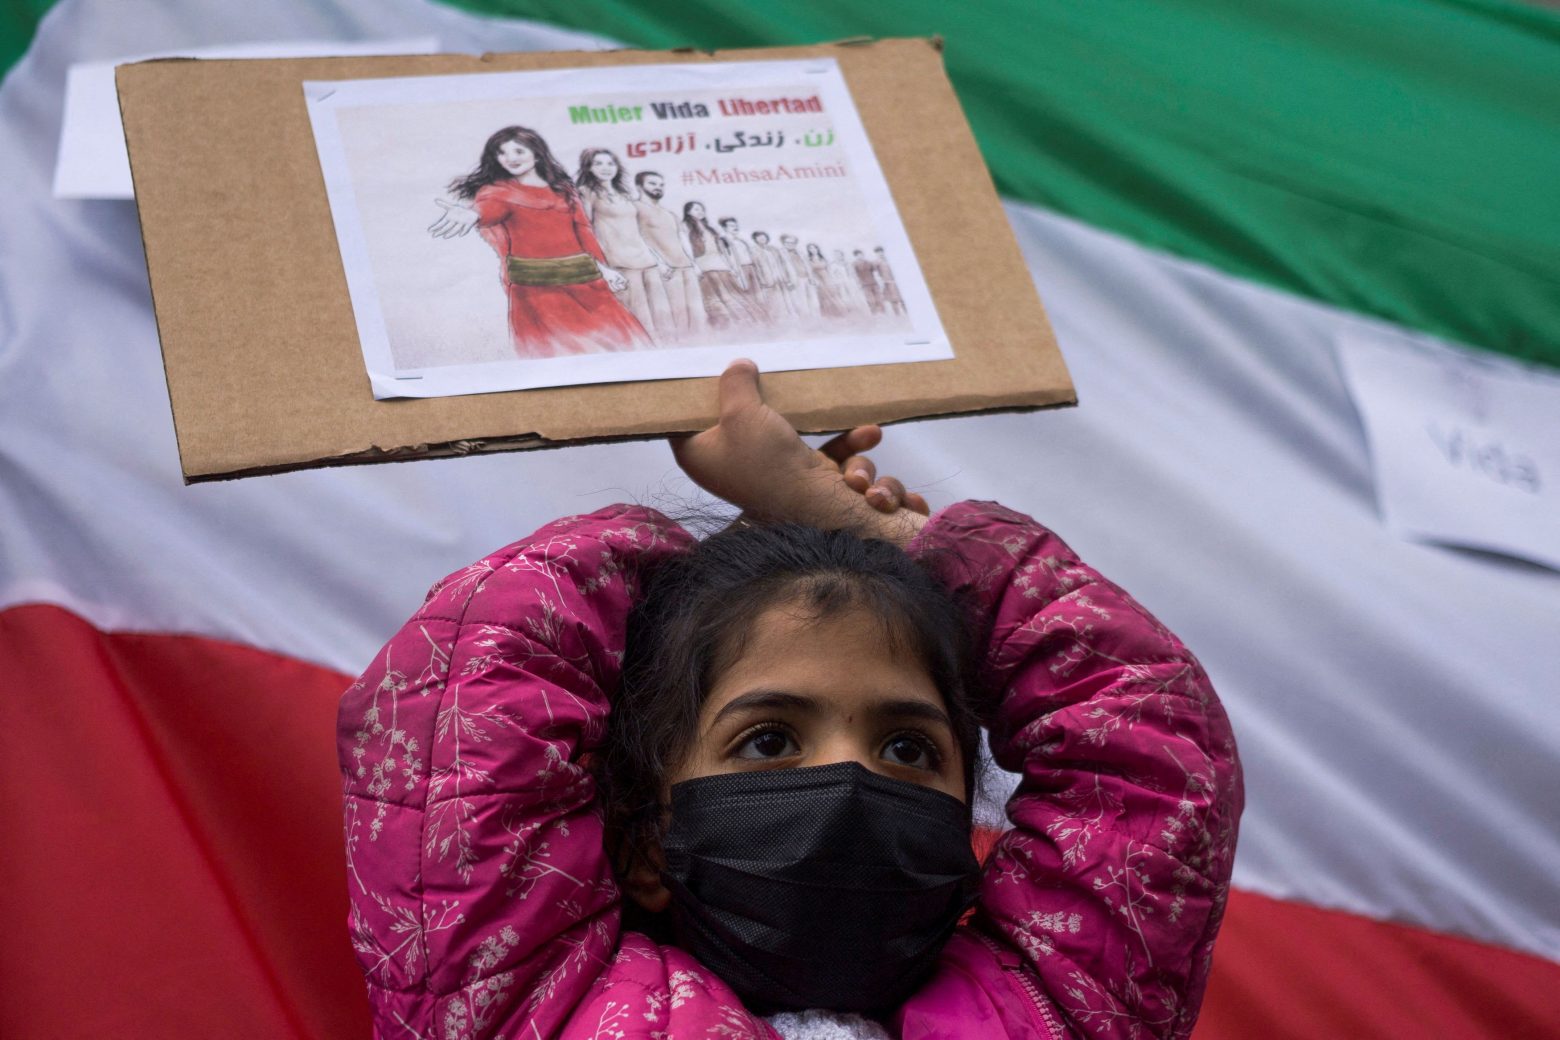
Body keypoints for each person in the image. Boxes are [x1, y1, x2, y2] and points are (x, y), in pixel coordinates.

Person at [340, 360, 1243, 1039]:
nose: (850, 779)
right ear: (646, 840)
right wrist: (681, 583)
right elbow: (463, 723)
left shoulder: (1048, 1015)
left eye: (908, 749)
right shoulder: (537, 1011)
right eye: (769, 741)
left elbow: (1147, 745)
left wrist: (859, 523)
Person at [430, 125, 651, 357]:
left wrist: (604, 270)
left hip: (586, 283)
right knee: (558, 354)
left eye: (518, 151)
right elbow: (489, 210)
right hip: (536, 291)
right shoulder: (497, 192)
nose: (510, 158)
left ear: (536, 154)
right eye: (501, 153)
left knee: (620, 346)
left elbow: (583, 232)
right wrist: (474, 215)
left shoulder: (564, 190)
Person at [576, 148, 673, 340]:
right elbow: (584, 230)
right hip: (620, 265)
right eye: (598, 163)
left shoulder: (624, 194)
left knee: (663, 318)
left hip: (647, 262)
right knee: (640, 323)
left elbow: (636, 233)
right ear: (589, 167)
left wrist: (659, 261)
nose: (605, 168)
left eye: (610, 163)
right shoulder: (586, 192)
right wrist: (600, 267)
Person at [633, 171, 706, 337]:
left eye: (661, 184)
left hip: (686, 268)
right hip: (666, 270)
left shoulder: (670, 214)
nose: (658, 187)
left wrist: (694, 265)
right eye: (652, 183)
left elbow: (682, 240)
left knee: (697, 315)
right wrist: (659, 263)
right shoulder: (635, 208)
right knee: (677, 316)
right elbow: (636, 238)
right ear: (639, 186)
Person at [681, 202, 761, 327]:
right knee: (713, 300)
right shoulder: (685, 227)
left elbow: (722, 248)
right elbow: (686, 248)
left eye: (702, 209)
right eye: (696, 209)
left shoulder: (710, 228)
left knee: (733, 295)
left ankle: (746, 323)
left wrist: (730, 266)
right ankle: (723, 325)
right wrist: (695, 267)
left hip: (721, 265)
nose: (701, 212)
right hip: (704, 267)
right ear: (688, 212)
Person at [807, 242, 849, 318]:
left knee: (834, 294)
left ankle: (842, 312)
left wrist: (832, 278)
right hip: (819, 279)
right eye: (810, 248)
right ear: (809, 250)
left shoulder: (822, 258)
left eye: (814, 248)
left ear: (817, 248)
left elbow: (828, 269)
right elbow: (810, 271)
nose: (813, 250)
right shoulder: (809, 260)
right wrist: (814, 280)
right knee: (824, 296)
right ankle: (829, 314)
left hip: (827, 278)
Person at [874, 246, 905, 316]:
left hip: (896, 281)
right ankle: (897, 314)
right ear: (876, 254)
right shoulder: (877, 262)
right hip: (887, 282)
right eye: (878, 253)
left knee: (901, 297)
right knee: (892, 299)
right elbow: (876, 273)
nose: (880, 254)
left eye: (881, 252)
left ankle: (906, 311)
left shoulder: (890, 259)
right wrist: (882, 281)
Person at [853, 248, 884, 315]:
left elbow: (874, 271)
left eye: (861, 254)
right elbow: (855, 275)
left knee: (878, 297)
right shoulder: (855, 264)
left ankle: (882, 311)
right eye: (858, 255)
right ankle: (874, 312)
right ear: (855, 256)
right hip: (864, 284)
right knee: (870, 299)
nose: (860, 256)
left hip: (873, 282)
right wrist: (858, 283)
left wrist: (878, 280)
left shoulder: (869, 262)